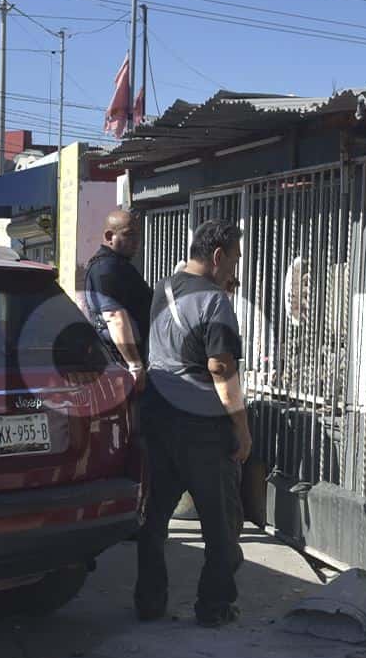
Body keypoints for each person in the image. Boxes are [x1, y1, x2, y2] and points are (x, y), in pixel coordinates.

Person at [134, 218, 250, 627]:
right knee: (221, 524)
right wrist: (242, 427)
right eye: (234, 260)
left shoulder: (163, 288)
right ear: (218, 256)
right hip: (201, 425)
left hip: (157, 417)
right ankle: (214, 606)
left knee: (155, 518)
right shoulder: (216, 302)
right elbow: (220, 367)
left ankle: (149, 602)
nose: (235, 270)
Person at [82, 209, 154, 383]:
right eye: (129, 235)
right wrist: (134, 365)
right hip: (121, 365)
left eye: (138, 235)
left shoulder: (117, 265)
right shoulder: (106, 269)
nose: (136, 241)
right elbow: (115, 318)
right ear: (109, 236)